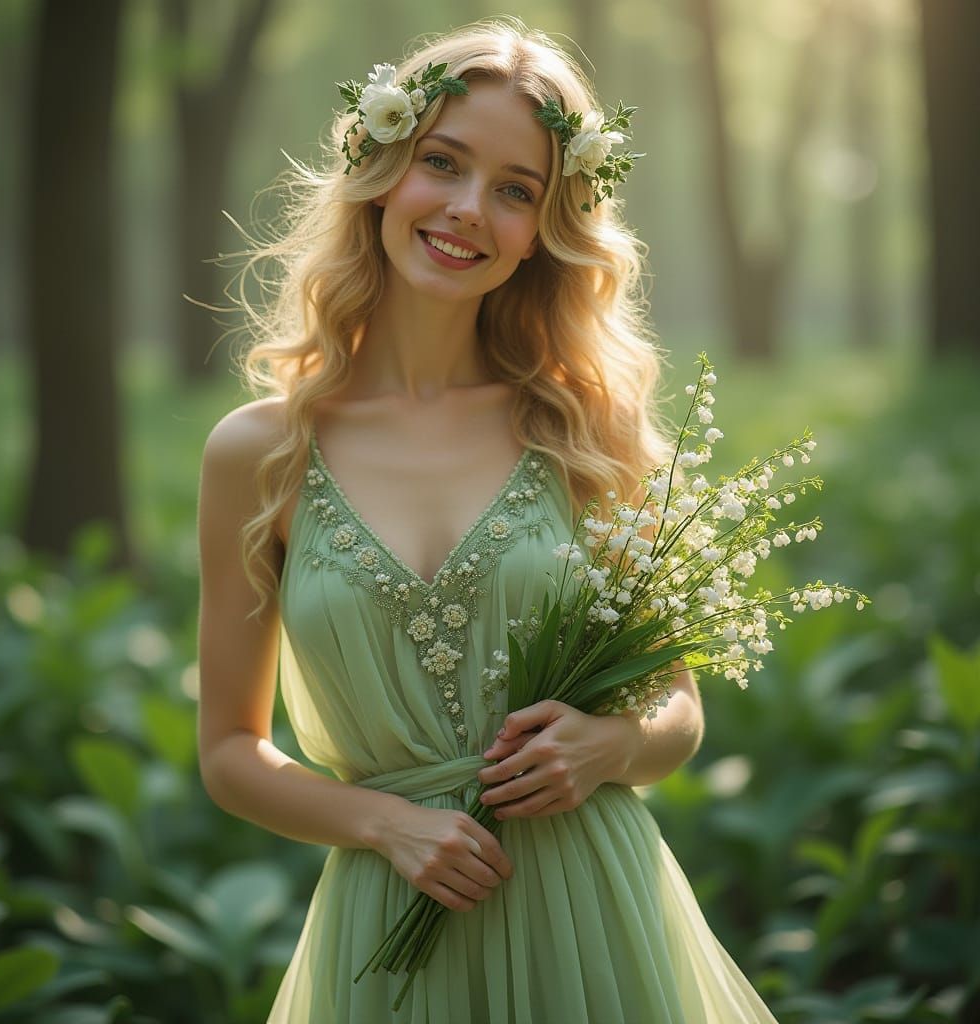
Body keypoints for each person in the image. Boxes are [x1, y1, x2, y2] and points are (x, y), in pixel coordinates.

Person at [197, 16, 779, 1023]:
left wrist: (609, 747)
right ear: (382, 168)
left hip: (594, 918)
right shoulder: (258, 451)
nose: (469, 209)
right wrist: (385, 824)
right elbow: (228, 754)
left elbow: (675, 711)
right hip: (391, 926)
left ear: (547, 228)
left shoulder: (583, 432)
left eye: (516, 190)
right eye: (443, 163)